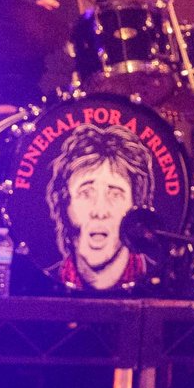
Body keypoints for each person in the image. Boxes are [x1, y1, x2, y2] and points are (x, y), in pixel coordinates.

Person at [42, 120, 159, 292]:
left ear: (137, 205)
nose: (100, 211)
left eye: (115, 194)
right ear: (63, 204)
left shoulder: (162, 286)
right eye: (86, 193)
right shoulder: (41, 286)